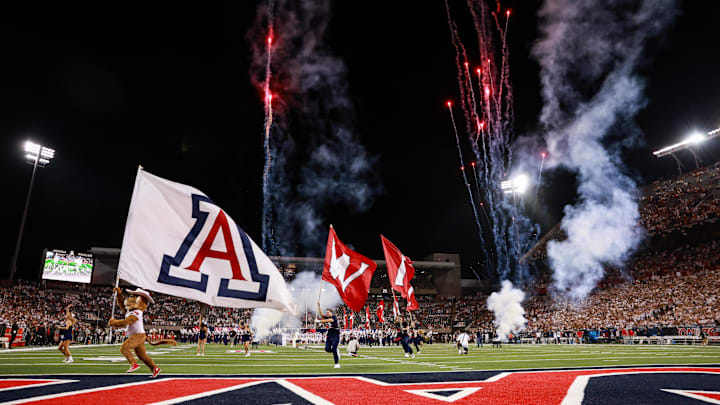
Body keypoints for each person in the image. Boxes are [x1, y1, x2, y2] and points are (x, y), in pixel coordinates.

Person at [108, 287, 162, 378]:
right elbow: (122, 304)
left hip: (138, 335)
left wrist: (114, 323)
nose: (129, 298)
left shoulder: (137, 312)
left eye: (133, 297)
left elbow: (127, 321)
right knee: (142, 356)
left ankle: (133, 364)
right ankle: (155, 368)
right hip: (137, 335)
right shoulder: (131, 311)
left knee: (124, 348)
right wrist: (118, 295)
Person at [316, 303, 341, 368]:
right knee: (327, 349)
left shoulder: (333, 317)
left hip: (335, 335)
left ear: (331, 312)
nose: (327, 313)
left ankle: (337, 363)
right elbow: (321, 315)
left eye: (328, 312)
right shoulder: (327, 317)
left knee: (334, 349)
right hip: (329, 335)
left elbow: (329, 320)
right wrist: (319, 307)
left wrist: (319, 321)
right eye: (326, 312)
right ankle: (336, 351)